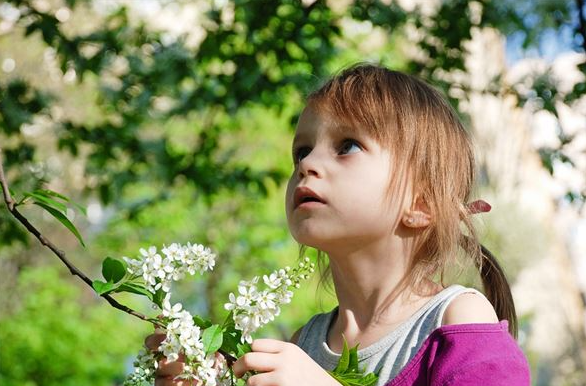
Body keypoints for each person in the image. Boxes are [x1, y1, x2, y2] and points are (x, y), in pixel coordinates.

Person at [146, 64, 531, 386]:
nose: (306, 164)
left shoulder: (455, 321)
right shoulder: (304, 345)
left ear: (421, 203)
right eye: (302, 150)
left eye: (347, 145)